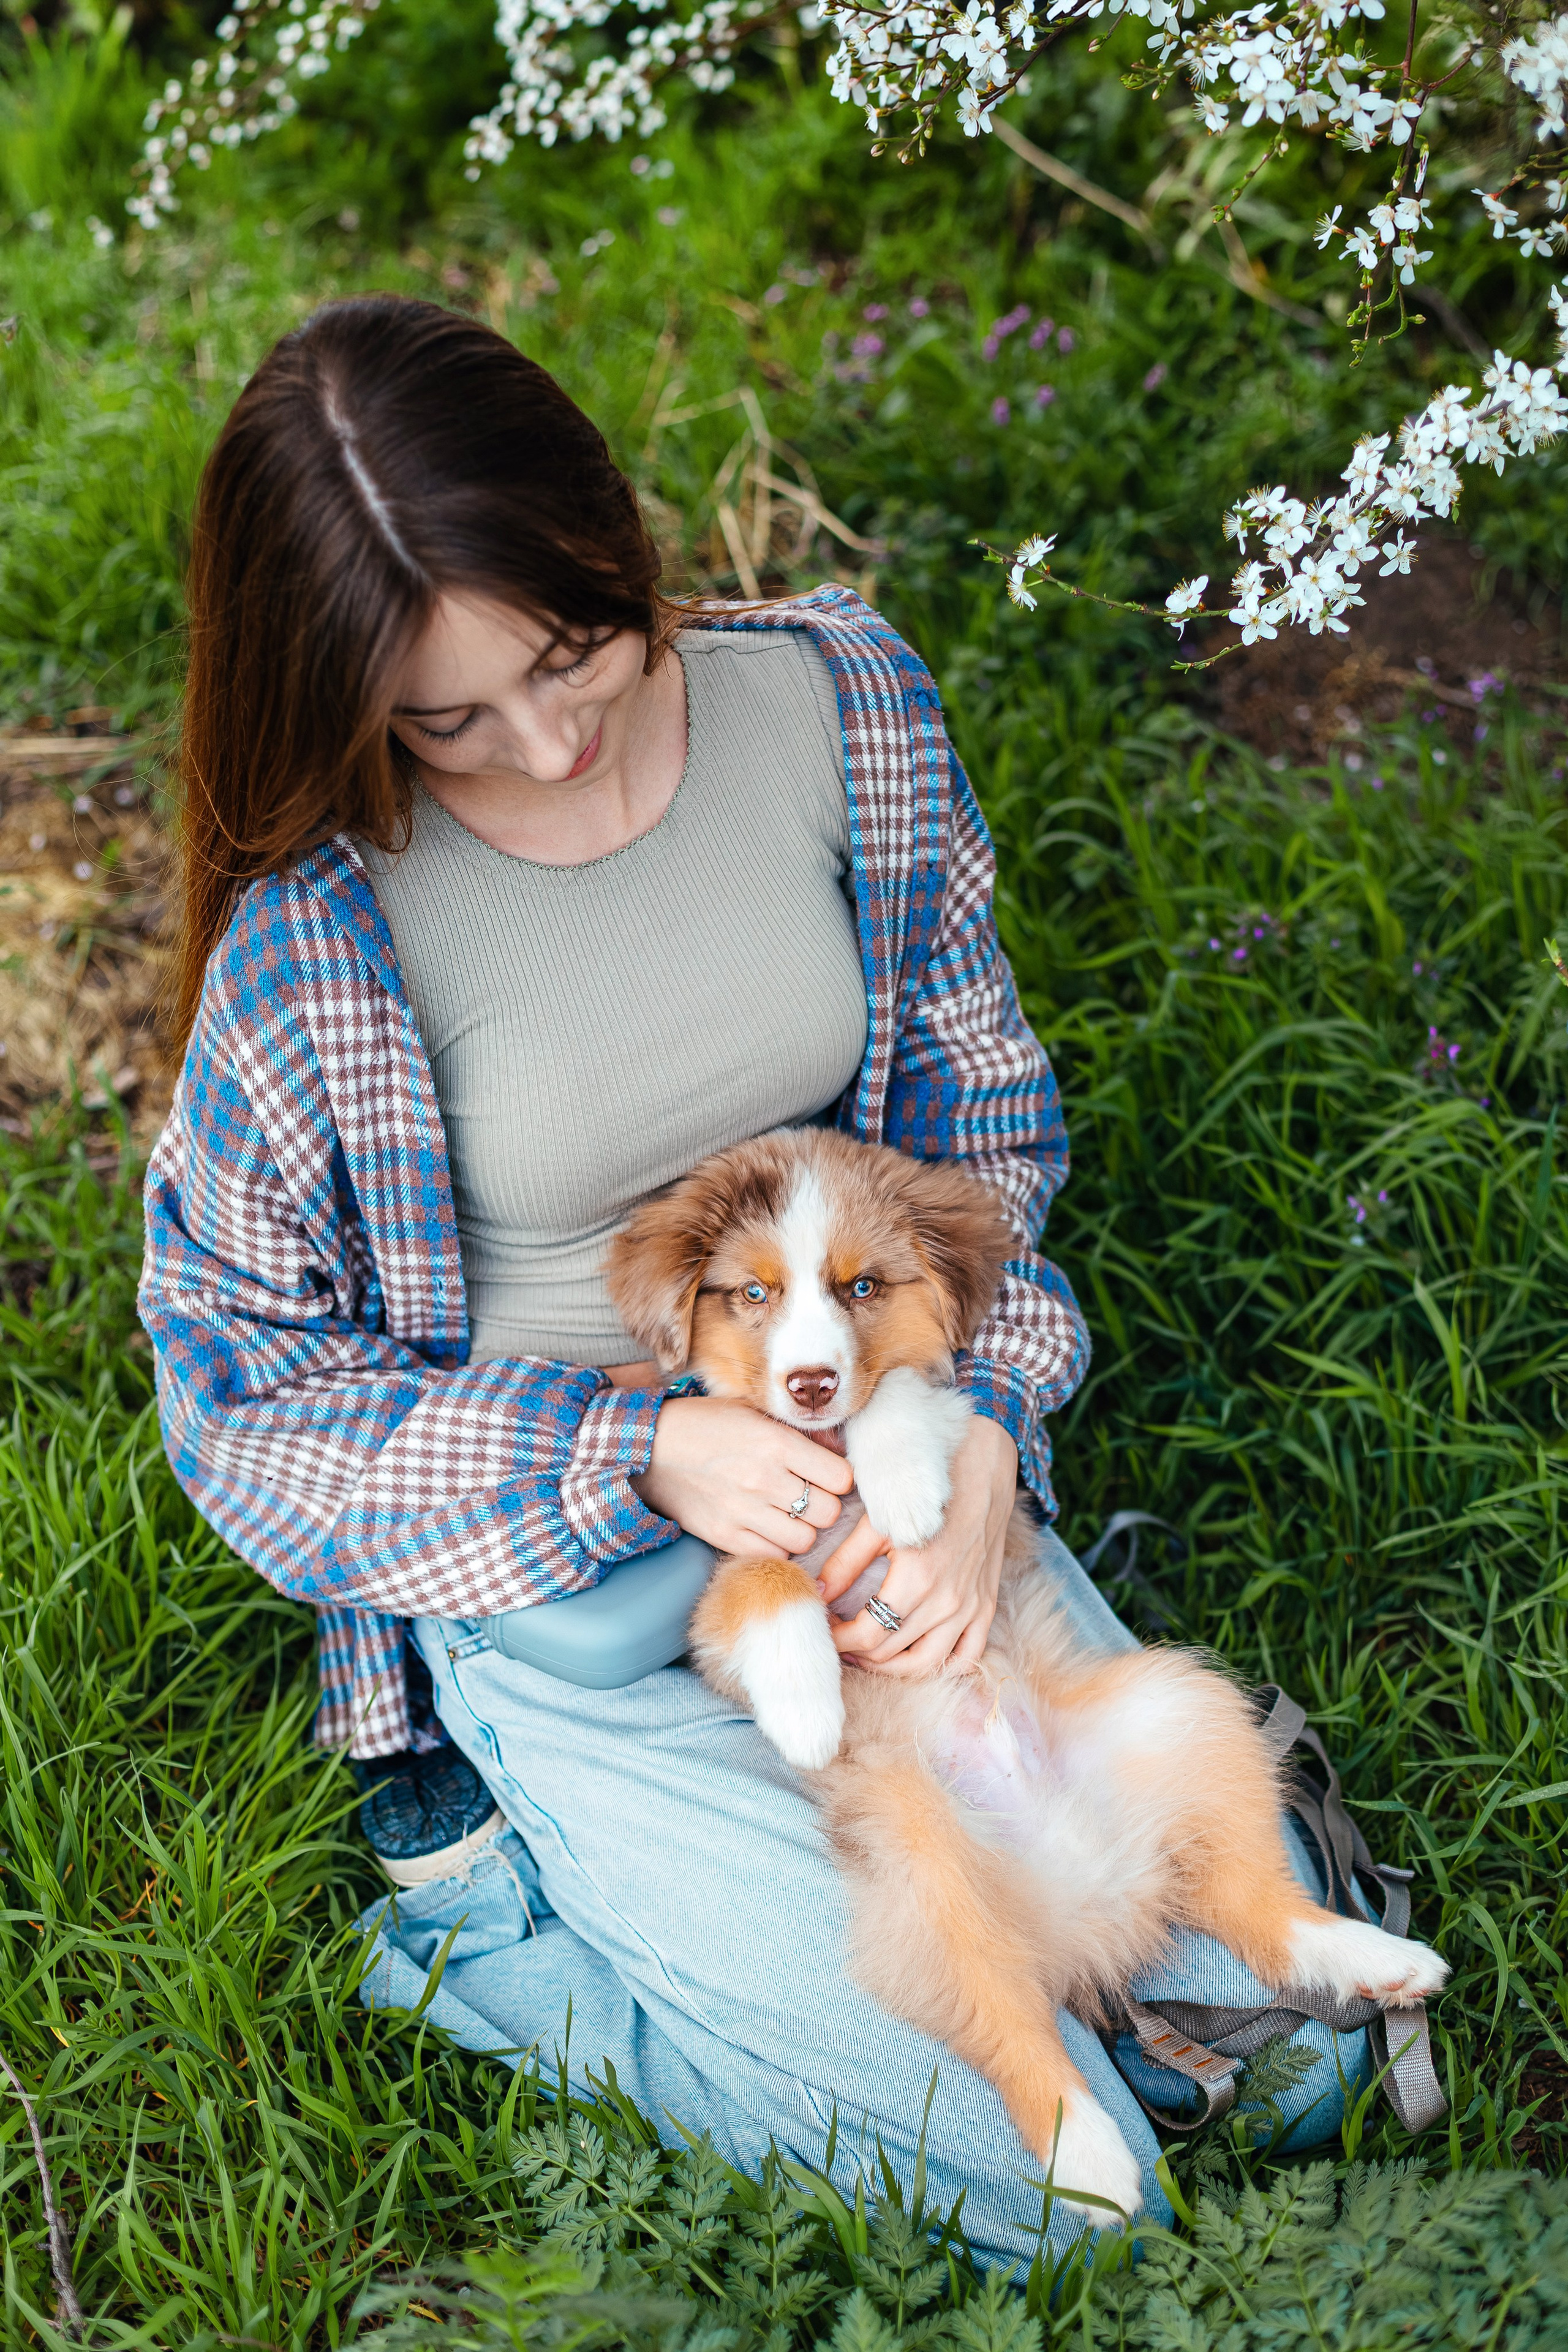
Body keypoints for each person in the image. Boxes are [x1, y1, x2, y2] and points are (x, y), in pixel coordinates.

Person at [138, 293, 1369, 2272]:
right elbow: (239, 1399)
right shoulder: (320, 942)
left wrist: (984, 1443)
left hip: (888, 1474)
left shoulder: (834, 705)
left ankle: (1013, 1989)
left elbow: (982, 1137)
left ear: (612, 538)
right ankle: (497, 1944)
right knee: (1025, 2198)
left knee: (1297, 2041)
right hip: (576, 1594)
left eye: (572, 655)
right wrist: (634, 1450)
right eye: (450, 721)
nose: (550, 746)